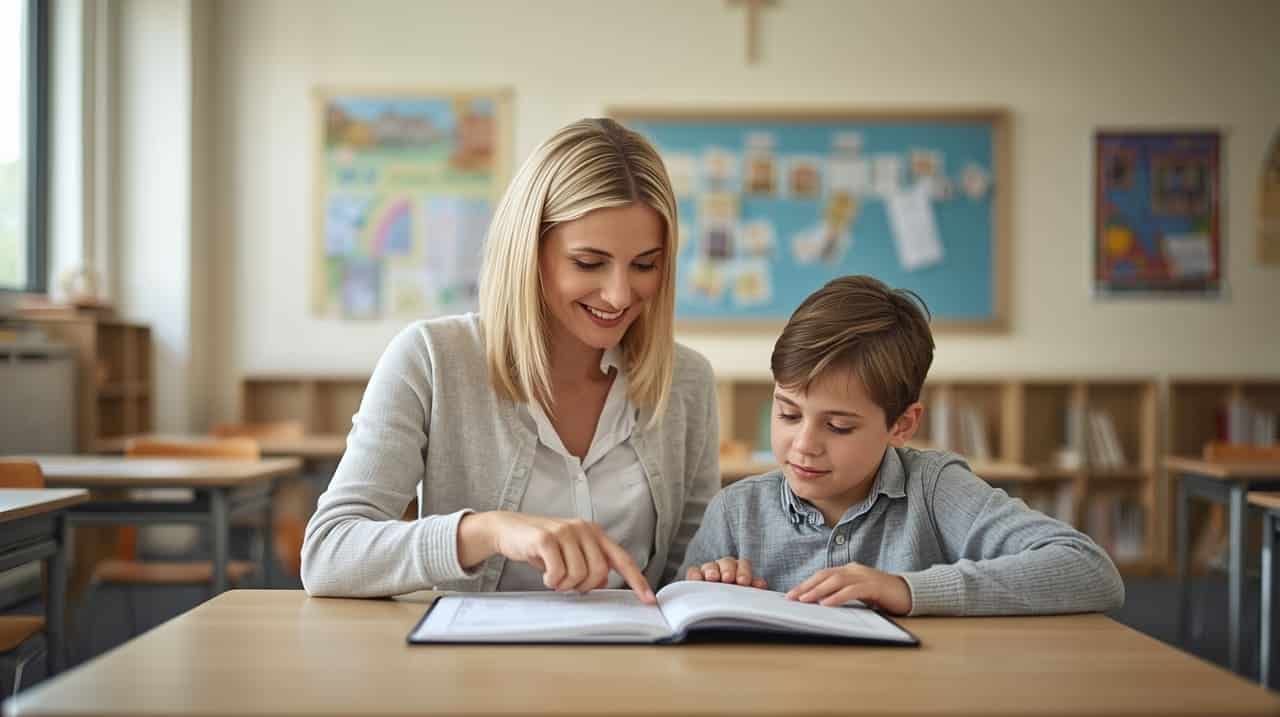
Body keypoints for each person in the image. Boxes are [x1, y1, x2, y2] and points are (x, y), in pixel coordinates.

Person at [302, 119, 721, 603]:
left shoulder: (687, 381)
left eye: (645, 264)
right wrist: (488, 531)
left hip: (635, 649)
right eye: (588, 263)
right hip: (475, 651)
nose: (619, 294)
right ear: (529, 251)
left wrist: (716, 572)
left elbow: (691, 565)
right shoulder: (431, 359)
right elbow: (328, 554)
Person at [680, 275, 1125, 616]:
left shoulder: (933, 490)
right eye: (788, 414)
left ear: (902, 425)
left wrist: (908, 589)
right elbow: (678, 607)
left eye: (838, 426)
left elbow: (1089, 569)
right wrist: (710, 587)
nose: (804, 445)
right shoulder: (736, 512)